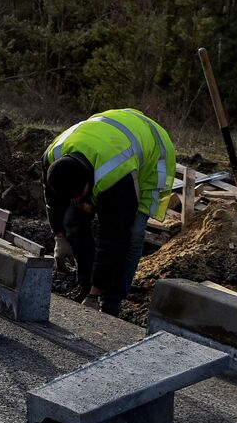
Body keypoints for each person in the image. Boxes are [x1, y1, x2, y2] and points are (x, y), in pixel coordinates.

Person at [42, 108, 176, 317]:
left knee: (132, 235)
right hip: (109, 133)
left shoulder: (115, 177)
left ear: (88, 179)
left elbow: (114, 238)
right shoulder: (53, 156)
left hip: (151, 152)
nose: (76, 200)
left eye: (78, 194)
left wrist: (97, 294)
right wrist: (60, 235)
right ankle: (85, 284)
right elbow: (54, 200)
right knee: (73, 221)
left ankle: (110, 303)